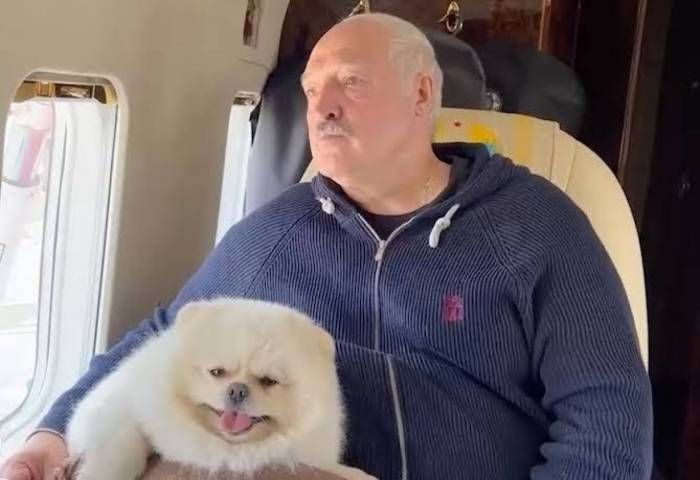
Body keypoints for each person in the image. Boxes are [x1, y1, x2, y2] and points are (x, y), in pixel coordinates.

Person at [0, 13, 652, 480]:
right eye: (313, 90)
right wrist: (51, 435)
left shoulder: (539, 225)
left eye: (351, 82)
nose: (322, 107)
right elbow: (165, 337)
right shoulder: (276, 232)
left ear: (422, 93)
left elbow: (606, 416)